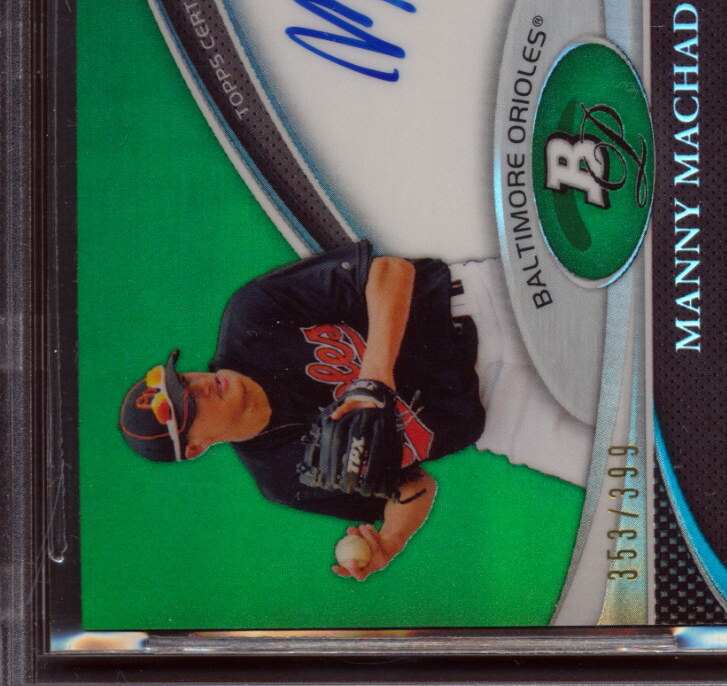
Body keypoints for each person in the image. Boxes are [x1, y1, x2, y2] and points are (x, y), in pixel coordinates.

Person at [120, 241, 592, 580]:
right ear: (197, 447)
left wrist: (373, 378)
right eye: (189, 404)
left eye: (184, 380)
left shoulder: (251, 318)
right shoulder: (284, 478)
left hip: (484, 309)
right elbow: (412, 486)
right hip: (502, 415)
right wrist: (391, 540)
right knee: (622, 471)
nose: (200, 385)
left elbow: (391, 271)